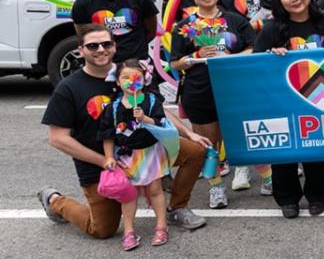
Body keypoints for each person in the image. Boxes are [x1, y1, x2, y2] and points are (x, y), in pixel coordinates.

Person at [38, 24, 210, 238]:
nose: (101, 49)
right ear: (80, 50)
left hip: (145, 148)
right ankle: (55, 201)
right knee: (102, 229)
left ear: (114, 46)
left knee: (194, 151)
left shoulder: (129, 73)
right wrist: (104, 161)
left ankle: (177, 207)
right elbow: (58, 139)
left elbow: (156, 107)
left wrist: (189, 133)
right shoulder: (69, 88)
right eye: (92, 45)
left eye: (106, 44)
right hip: (103, 160)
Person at [169, 0, 258, 208]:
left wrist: (234, 57)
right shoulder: (184, 26)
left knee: (242, 134)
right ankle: (216, 187)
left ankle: (245, 171)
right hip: (199, 90)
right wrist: (195, 56)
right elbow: (175, 62)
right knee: (209, 143)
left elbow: (254, 46)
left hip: (235, 87)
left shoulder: (235, 20)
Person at [253, 0, 324, 218]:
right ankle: (287, 198)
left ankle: (317, 196)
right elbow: (257, 64)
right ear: (279, 2)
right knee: (284, 151)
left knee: (316, 149)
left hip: (320, 98)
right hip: (282, 99)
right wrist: (271, 55)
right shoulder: (271, 28)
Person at [99, 60, 174, 250]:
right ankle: (129, 230)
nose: (131, 81)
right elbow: (107, 135)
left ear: (144, 79)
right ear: (117, 82)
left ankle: (161, 226)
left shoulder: (151, 101)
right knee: (128, 195)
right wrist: (109, 157)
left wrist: (145, 118)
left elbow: (161, 123)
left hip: (150, 152)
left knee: (155, 189)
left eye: (136, 77)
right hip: (126, 156)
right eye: (125, 77)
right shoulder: (112, 108)